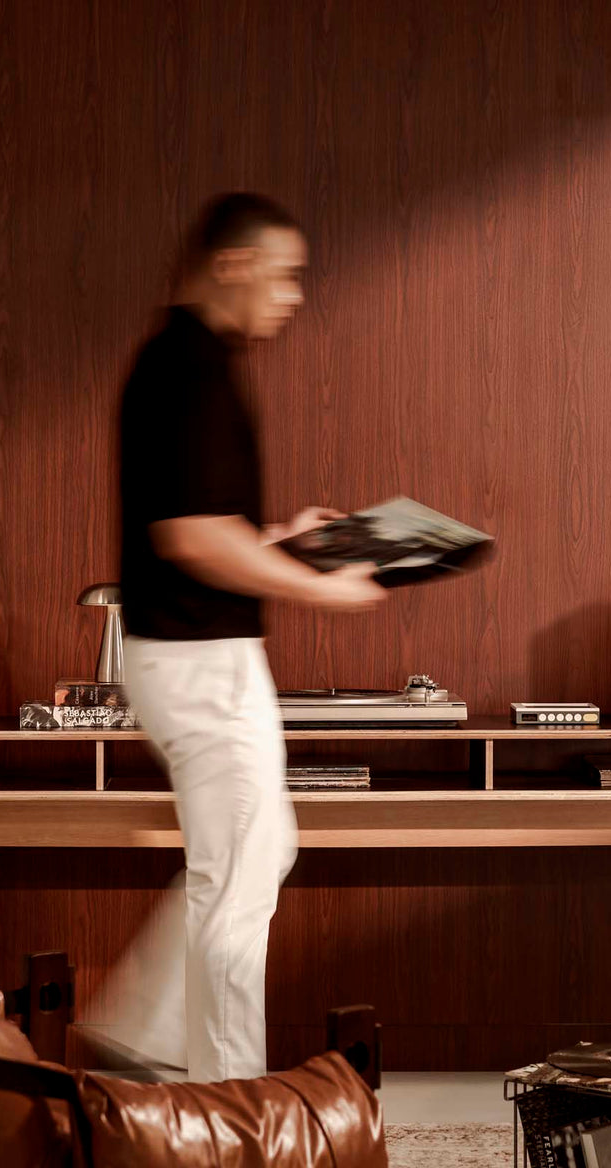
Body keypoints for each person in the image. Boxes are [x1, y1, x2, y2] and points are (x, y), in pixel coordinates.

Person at [108, 192, 385, 1083]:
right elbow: (188, 537)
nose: (294, 294)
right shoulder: (187, 371)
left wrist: (281, 539)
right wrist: (320, 586)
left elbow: (202, 527)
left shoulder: (187, 364)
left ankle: (141, 1033)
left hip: (196, 656)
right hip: (199, 665)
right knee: (233, 885)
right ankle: (228, 1111)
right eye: (285, 273)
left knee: (260, 850)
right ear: (233, 264)